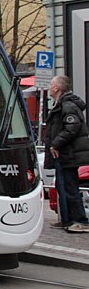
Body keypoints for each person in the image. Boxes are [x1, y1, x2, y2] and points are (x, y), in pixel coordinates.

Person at [44, 75, 89, 232]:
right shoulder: (62, 104)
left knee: (70, 187)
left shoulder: (67, 105)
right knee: (62, 186)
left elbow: (72, 127)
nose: (49, 87)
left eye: (51, 84)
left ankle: (80, 221)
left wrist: (55, 144)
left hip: (68, 154)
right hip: (64, 154)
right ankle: (67, 220)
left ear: (57, 88)